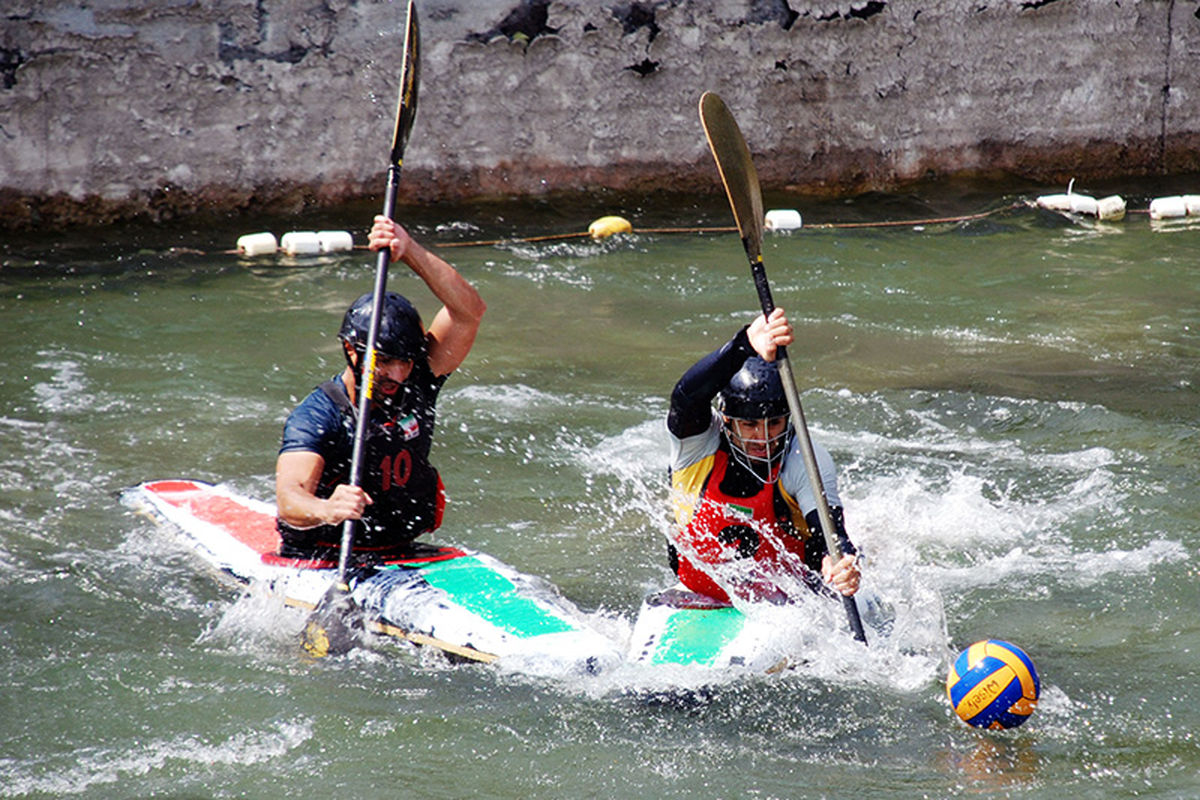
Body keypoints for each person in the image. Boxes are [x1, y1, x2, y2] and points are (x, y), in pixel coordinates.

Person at [274, 215, 486, 561]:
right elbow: (289, 499)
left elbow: (469, 312)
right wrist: (327, 508)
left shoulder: (418, 378)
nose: (397, 375)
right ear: (351, 352)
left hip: (401, 550)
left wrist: (410, 249)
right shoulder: (318, 416)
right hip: (326, 555)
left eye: (405, 362)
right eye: (384, 361)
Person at [666, 307, 861, 604]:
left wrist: (839, 560)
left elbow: (830, 534)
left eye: (774, 423)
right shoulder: (697, 448)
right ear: (728, 421)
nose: (764, 437)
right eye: (750, 425)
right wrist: (743, 344)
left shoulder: (804, 457)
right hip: (699, 596)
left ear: (788, 420)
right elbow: (685, 397)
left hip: (785, 601)